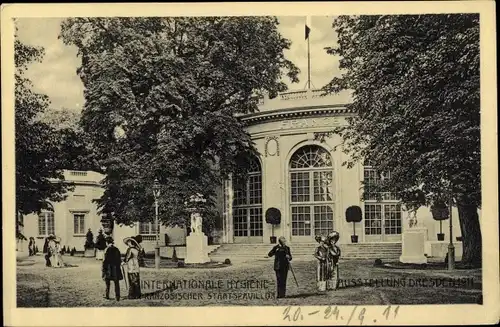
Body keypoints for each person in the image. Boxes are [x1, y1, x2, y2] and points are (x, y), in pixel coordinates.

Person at [102, 236, 123, 301]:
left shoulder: (107, 249)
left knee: (107, 282)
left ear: (107, 242)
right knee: (116, 283)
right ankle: (117, 296)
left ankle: (107, 295)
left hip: (109, 268)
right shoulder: (117, 249)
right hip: (116, 268)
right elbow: (119, 259)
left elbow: (105, 260)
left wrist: (103, 268)